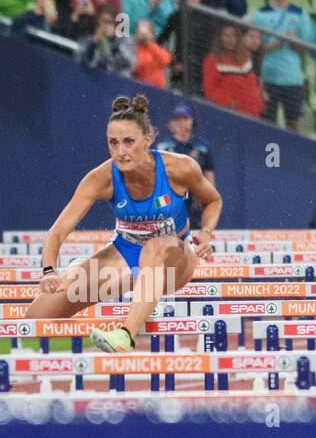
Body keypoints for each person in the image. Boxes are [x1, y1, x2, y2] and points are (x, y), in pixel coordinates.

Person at [25, 95, 222, 354]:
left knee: (154, 247)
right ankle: (86, 275)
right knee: (35, 319)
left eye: (129, 142)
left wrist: (206, 233)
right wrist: (49, 271)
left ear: (148, 140)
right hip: (125, 253)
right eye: (113, 143)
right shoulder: (101, 178)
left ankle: (125, 335)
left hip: (174, 259)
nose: (121, 151)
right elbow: (59, 230)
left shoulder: (180, 168)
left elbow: (213, 200)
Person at [251, 0, 315, 133]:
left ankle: (292, 155)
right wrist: (274, 44)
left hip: (292, 79)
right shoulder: (259, 14)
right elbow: (255, 48)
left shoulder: (300, 14)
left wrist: (294, 41)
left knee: (293, 122)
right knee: (267, 122)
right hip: (268, 78)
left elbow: (304, 50)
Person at [155, 103, 214, 227]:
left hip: (196, 198)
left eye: (185, 118)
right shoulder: (163, 147)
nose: (182, 123)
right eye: (178, 119)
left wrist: (209, 198)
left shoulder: (202, 147)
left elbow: (209, 174)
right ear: (172, 123)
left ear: (192, 121)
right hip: (171, 198)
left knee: (195, 236)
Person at [203, 25, 267, 117]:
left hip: (254, 112)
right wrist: (230, 103)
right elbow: (210, 90)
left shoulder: (245, 55)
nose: (231, 39)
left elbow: (252, 82)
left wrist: (259, 98)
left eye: (234, 36)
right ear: (220, 38)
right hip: (231, 113)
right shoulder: (212, 60)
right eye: (227, 36)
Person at [81, 6, 136, 74]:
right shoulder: (88, 39)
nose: (105, 25)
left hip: (117, 80)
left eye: (109, 22)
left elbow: (128, 62)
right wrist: (94, 42)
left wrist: (113, 39)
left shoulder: (125, 40)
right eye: (103, 21)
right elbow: (82, 62)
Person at [133, 19, 173, 87]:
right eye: (140, 30)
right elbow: (136, 66)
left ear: (152, 33)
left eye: (145, 30)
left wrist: (150, 44)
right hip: (139, 88)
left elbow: (166, 60)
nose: (143, 33)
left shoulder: (156, 48)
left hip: (157, 89)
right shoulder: (133, 49)